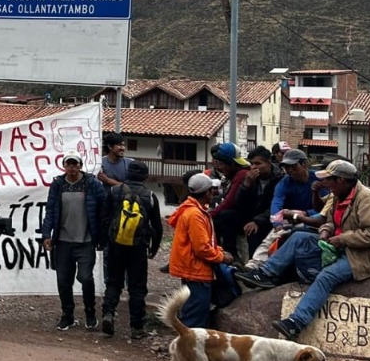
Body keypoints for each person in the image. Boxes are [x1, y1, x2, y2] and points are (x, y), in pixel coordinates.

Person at [235, 160, 370, 341]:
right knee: (299, 236)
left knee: (327, 276)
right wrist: (325, 231)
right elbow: (330, 221)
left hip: (363, 255)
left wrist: (342, 238)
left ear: (340, 180)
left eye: (329, 180)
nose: (326, 184)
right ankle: (267, 274)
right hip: (340, 244)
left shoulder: (366, 199)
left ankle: (296, 322)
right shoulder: (339, 195)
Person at [38, 151, 105, 331]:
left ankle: (90, 313)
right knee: (63, 281)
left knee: (85, 277)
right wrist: (46, 235)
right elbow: (50, 211)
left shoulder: (92, 184)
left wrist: (101, 235)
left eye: (75, 164)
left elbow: (103, 209)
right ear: (64, 166)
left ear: (80, 166)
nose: (72, 168)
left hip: (86, 241)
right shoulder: (58, 185)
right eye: (69, 164)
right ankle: (67, 315)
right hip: (63, 241)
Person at [99, 160, 162, 339]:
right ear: (145, 176)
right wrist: (154, 248)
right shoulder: (150, 197)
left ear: (128, 173)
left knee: (113, 282)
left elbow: (105, 217)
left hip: (116, 245)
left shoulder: (114, 191)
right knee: (137, 287)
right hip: (138, 247)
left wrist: (106, 240)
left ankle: (108, 314)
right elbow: (157, 227)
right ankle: (137, 327)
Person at [168, 173, 233, 327]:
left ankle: (186, 347)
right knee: (195, 317)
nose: (214, 193)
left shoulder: (192, 210)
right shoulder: (195, 214)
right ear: (206, 192)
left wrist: (219, 250)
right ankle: (187, 350)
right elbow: (202, 248)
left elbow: (203, 243)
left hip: (192, 269)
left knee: (191, 311)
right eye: (212, 190)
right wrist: (221, 257)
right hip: (196, 271)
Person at [207, 143, 255, 259]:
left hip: (248, 215)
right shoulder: (236, 173)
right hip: (241, 212)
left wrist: (209, 215)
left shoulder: (241, 174)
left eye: (222, 165)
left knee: (223, 216)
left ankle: (230, 253)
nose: (221, 168)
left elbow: (230, 201)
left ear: (231, 163)